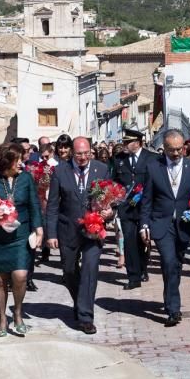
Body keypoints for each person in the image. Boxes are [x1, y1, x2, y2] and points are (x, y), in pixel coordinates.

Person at [46, 136, 113, 334]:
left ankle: (85, 317)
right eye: (79, 154)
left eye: (86, 153)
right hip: (68, 230)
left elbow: (108, 198)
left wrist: (110, 212)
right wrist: (51, 233)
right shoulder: (60, 171)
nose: (83, 158)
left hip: (94, 229)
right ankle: (80, 300)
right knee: (69, 271)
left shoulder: (101, 169)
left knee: (90, 270)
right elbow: (52, 206)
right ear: (71, 153)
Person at [140, 129, 190, 327]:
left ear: (184, 147)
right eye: (171, 150)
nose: (176, 154)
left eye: (179, 149)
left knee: (175, 265)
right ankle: (174, 310)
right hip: (161, 224)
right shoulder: (153, 167)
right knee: (168, 261)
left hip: (184, 225)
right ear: (164, 149)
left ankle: (170, 300)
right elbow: (147, 200)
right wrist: (144, 225)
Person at [0, 143, 43, 336]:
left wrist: (39, 228)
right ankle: (2, 317)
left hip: (21, 234)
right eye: (17, 160)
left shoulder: (26, 178)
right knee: (0, 279)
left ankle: (17, 312)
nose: (21, 163)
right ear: (6, 161)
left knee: (20, 275)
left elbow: (34, 204)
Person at [112, 129, 156, 289]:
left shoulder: (152, 158)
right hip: (126, 208)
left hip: (145, 207)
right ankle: (133, 277)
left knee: (143, 240)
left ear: (137, 143)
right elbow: (115, 182)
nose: (123, 145)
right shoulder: (118, 159)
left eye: (127, 142)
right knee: (129, 242)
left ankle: (143, 268)